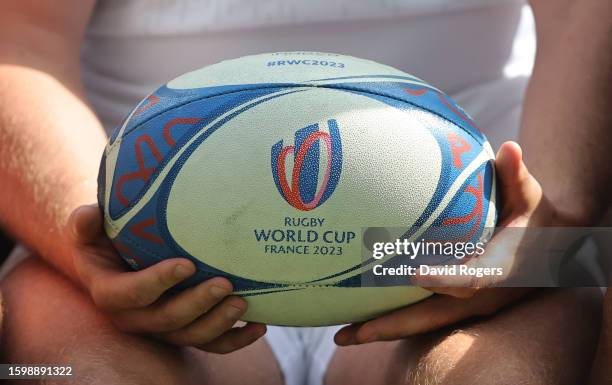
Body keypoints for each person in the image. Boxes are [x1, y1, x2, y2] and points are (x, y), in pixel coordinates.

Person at [0, 1, 609, 384]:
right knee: (78, 373)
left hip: (473, 227)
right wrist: (88, 239)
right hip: (141, 235)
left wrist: (552, 230)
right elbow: (20, 43)